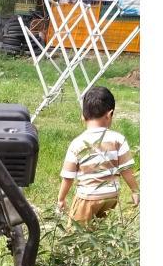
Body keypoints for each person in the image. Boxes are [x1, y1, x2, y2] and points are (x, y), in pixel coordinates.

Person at [57, 86, 139, 224]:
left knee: (76, 232)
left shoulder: (77, 144)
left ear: (82, 117)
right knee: (98, 228)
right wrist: (135, 191)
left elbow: (68, 176)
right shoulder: (118, 139)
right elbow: (126, 169)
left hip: (87, 198)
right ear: (110, 114)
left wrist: (61, 199)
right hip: (111, 197)